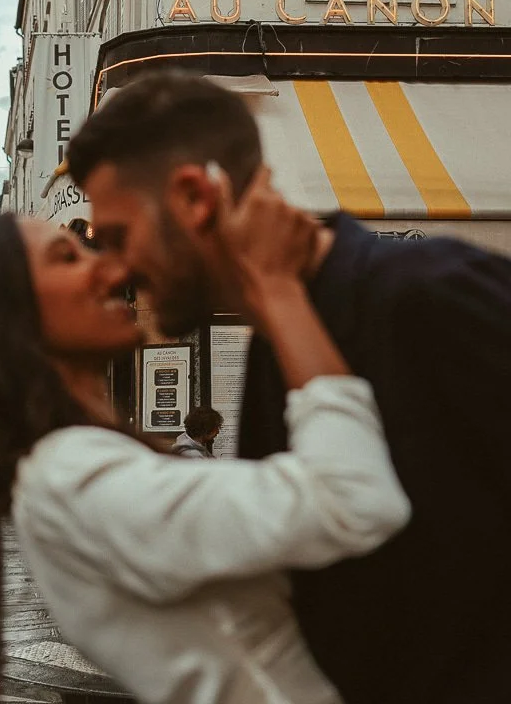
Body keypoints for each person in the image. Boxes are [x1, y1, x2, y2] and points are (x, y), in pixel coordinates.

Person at [67, 70, 511, 704]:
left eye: (117, 238)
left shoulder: (428, 291)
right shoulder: (283, 346)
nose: (111, 270)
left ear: (196, 197)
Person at [0, 207, 409, 704]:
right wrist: (281, 293)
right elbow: (353, 500)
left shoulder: (67, 468)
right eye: (68, 256)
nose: (112, 268)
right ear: (8, 318)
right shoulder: (71, 474)